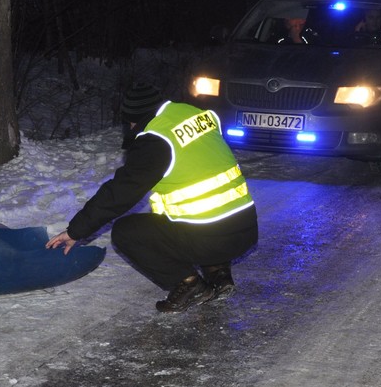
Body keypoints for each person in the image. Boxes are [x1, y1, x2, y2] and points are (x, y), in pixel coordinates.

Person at [46, 83, 258, 313]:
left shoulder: (156, 139)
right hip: (245, 228)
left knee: (126, 232)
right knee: (203, 214)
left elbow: (119, 193)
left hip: (211, 239)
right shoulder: (194, 113)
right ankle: (218, 274)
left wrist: (75, 231)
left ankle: (190, 284)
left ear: (133, 119)